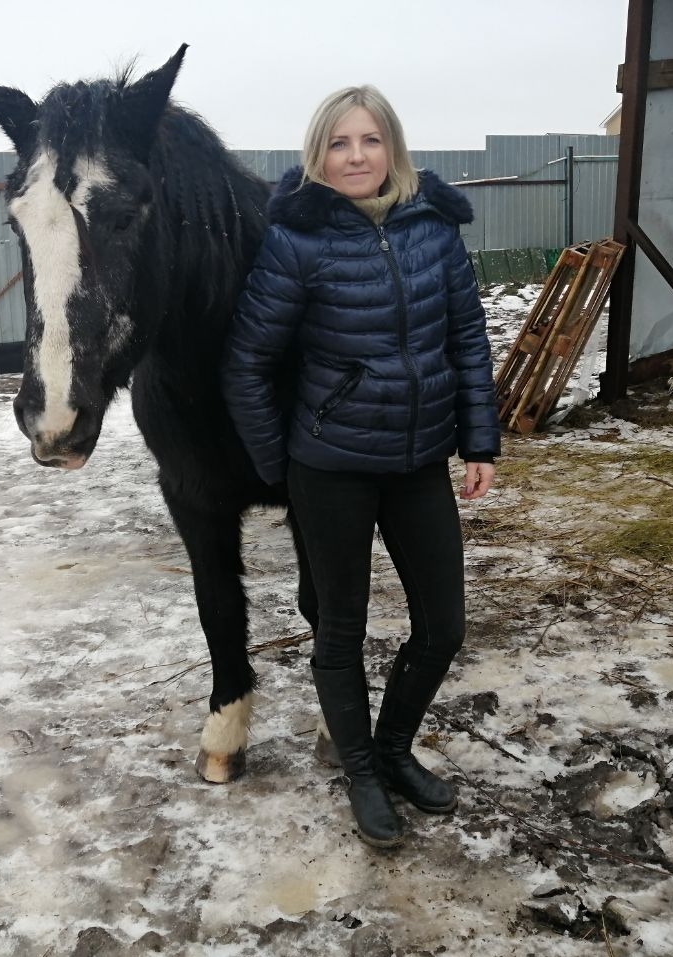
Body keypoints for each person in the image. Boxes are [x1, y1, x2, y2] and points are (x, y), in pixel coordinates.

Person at [221, 86, 499, 848]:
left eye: (370, 140)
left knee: (443, 627)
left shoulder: (433, 228)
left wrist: (479, 443)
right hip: (331, 468)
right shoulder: (297, 240)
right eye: (339, 143)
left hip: (418, 461)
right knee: (340, 631)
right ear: (319, 154)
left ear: (393, 148)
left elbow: (467, 340)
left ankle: (393, 750)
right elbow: (247, 362)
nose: (356, 157)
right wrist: (279, 465)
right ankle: (363, 775)